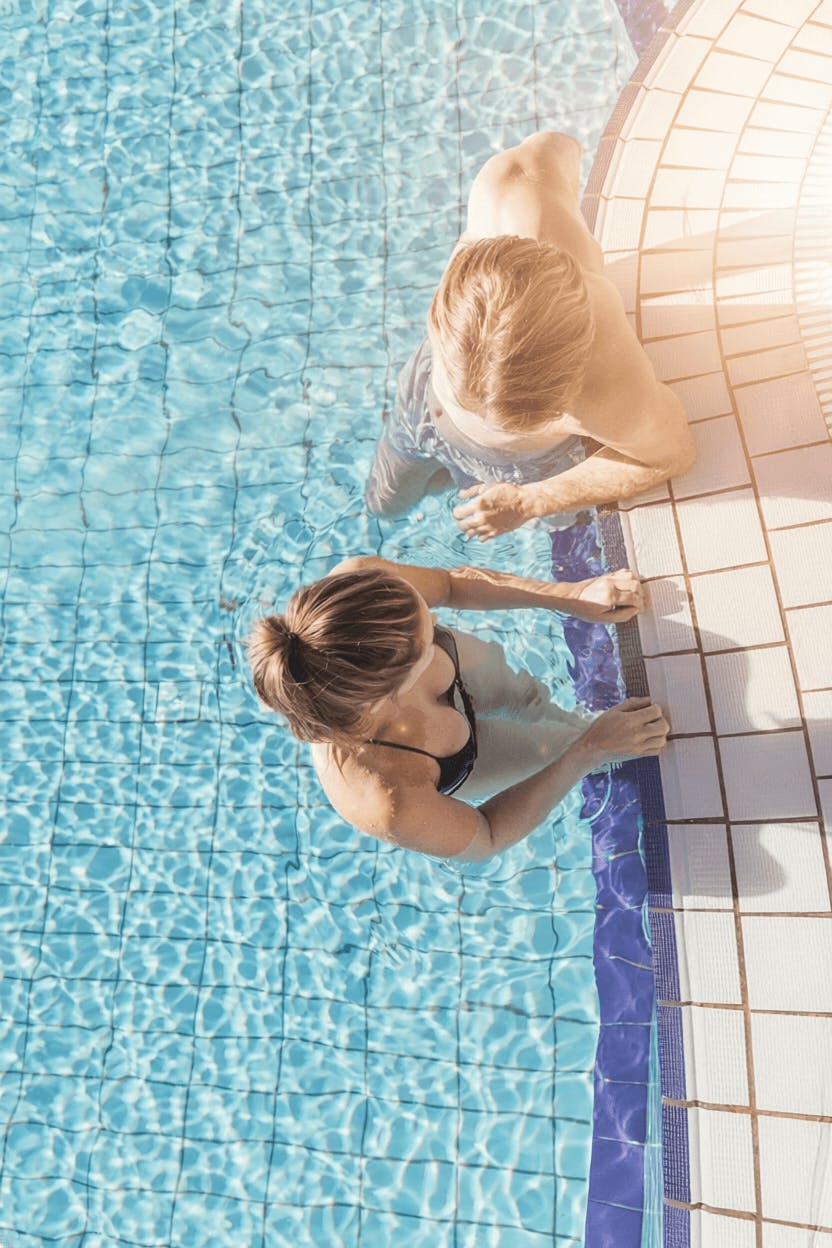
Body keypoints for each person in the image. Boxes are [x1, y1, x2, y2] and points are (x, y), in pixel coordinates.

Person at [365, 131, 695, 540]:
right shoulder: (510, 186)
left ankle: (460, 475)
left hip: (521, 466)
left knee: (557, 528)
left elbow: (671, 455)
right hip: (419, 404)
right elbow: (563, 146)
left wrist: (528, 501)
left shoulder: (608, 390)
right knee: (383, 505)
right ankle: (442, 472)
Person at [248, 556, 669, 861]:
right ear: (388, 693)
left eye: (425, 615)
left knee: (528, 698)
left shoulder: (360, 590)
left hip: (456, 677)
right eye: (425, 637)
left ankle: (557, 717)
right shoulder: (388, 796)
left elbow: (449, 586)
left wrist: (570, 595)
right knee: (569, 747)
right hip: (455, 761)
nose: (435, 621)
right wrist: (587, 750)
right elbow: (487, 835)